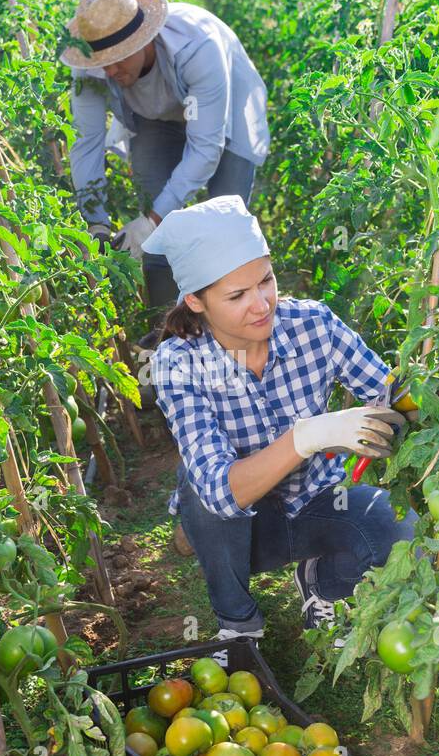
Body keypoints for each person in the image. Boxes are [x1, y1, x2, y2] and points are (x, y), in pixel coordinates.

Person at [145, 196, 418, 650]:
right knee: (200, 493)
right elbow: (220, 490)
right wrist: (308, 436)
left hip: (318, 500)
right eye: (236, 296)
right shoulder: (179, 361)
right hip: (242, 530)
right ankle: (239, 624)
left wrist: (427, 405)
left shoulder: (313, 324)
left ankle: (323, 583)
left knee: (400, 531)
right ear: (196, 301)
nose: (261, 304)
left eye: (266, 280)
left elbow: (388, 391)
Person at [59, 0, 269, 341]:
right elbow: (86, 143)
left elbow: (206, 148)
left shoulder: (197, 47)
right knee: (158, 243)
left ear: (144, 41)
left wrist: (152, 220)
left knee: (228, 225)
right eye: (102, 62)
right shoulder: (91, 68)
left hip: (226, 111)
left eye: (118, 58)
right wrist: (96, 223)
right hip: (154, 117)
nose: (110, 71)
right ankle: (167, 339)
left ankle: (234, 336)